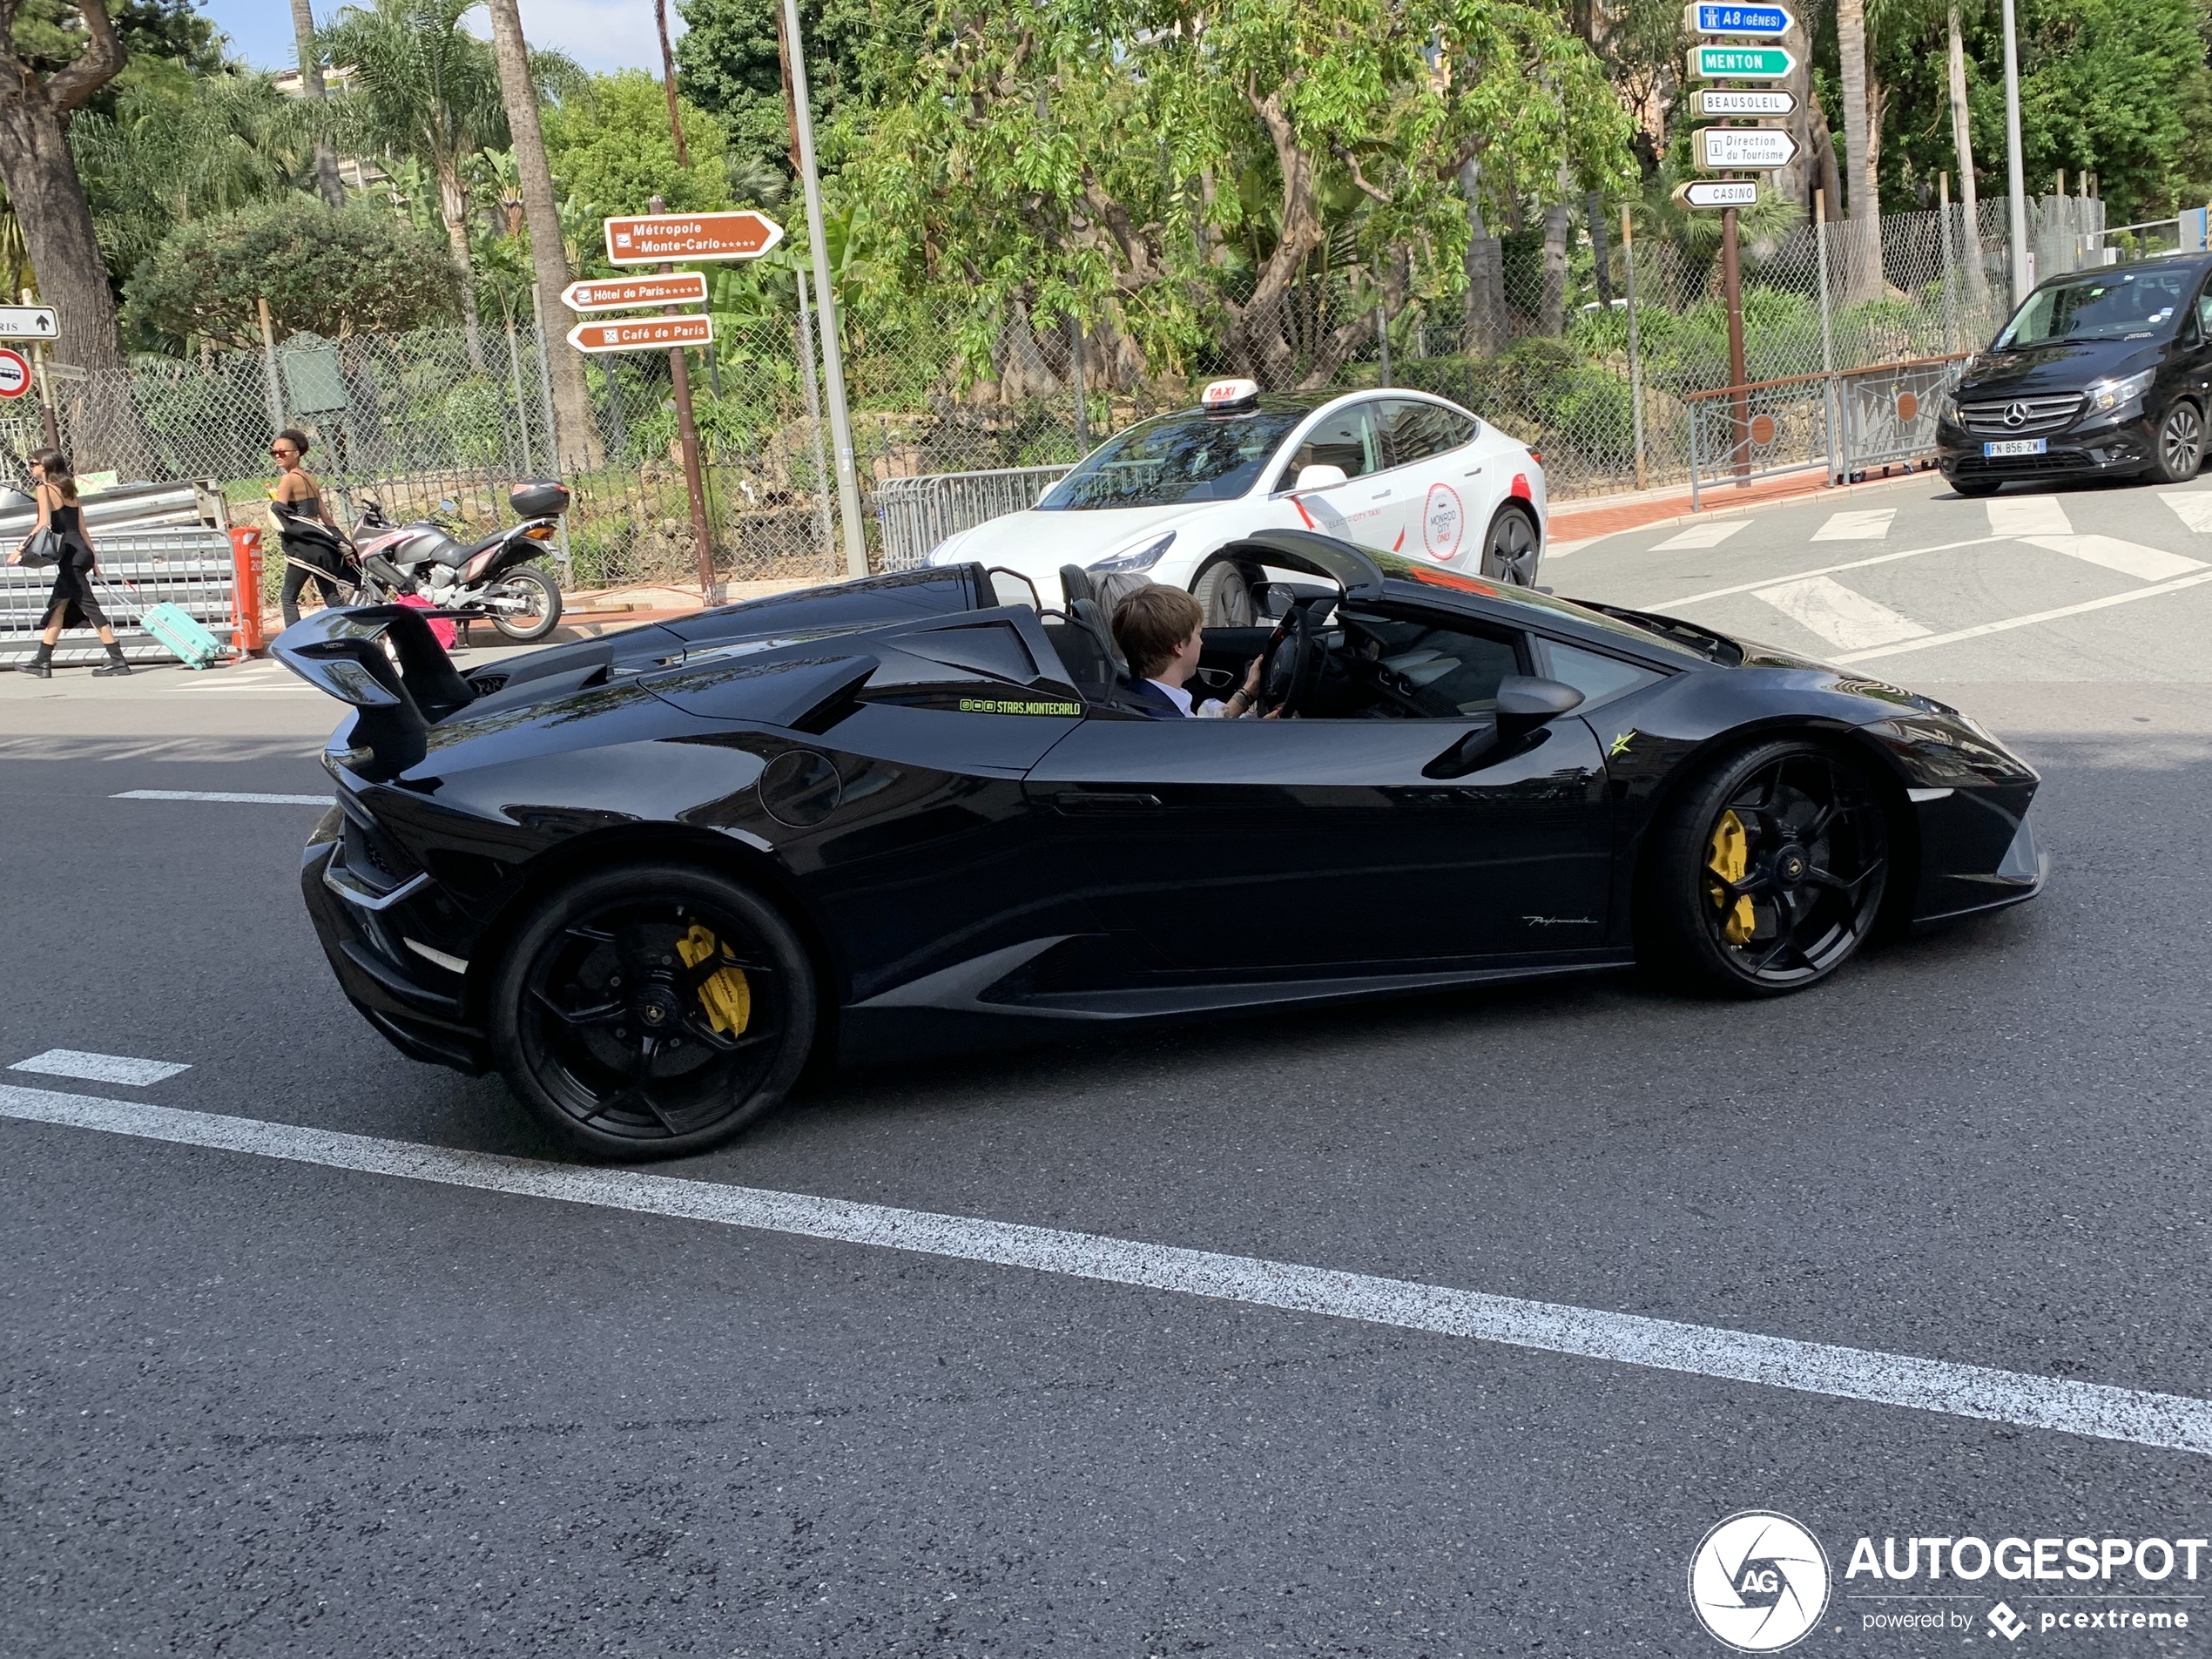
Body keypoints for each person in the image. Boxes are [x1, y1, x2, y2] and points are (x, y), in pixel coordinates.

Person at [6, 448, 129, 678]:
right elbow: (82, 529)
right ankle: (42, 660)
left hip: (70, 558)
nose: (30, 467)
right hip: (81, 553)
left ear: (45, 465)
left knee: (90, 608)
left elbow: (43, 524)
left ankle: (118, 660)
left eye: (33, 463)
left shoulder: (44, 489)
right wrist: (94, 560)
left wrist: (20, 549)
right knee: (59, 606)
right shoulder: (69, 489)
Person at [1109, 583, 1261, 718]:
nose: (1201, 642)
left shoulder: (1140, 697)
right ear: (1179, 647)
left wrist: (1247, 694)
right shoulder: (1168, 722)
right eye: (1198, 634)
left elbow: (1204, 730)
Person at [267, 428, 348, 627]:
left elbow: (281, 511)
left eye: (282, 452)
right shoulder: (310, 479)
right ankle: (352, 633)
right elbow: (326, 517)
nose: (277, 456)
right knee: (332, 598)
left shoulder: (288, 479)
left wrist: (272, 503)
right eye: (273, 452)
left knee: (288, 597)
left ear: (296, 453)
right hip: (319, 544)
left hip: (303, 546)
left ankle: (294, 646)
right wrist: (341, 541)